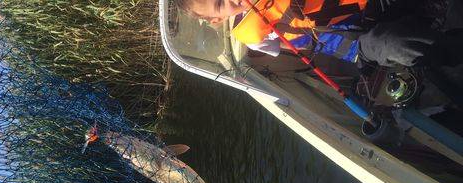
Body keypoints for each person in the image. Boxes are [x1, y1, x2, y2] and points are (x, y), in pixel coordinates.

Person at [176, 0, 463, 68]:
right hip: (356, 39)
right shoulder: (249, 34)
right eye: (221, 2)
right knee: (397, 45)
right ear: (216, 19)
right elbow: (291, 45)